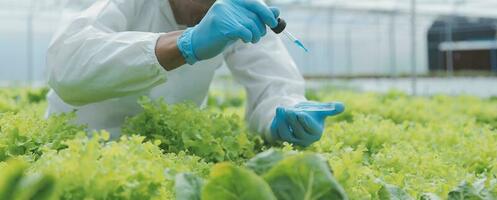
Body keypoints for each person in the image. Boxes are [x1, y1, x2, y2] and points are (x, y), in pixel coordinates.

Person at [45, 0, 345, 147]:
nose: (208, 8)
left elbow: (273, 83)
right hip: (80, 145)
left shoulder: (238, 10)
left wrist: (285, 113)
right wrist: (185, 44)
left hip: (167, 155)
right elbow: (67, 65)